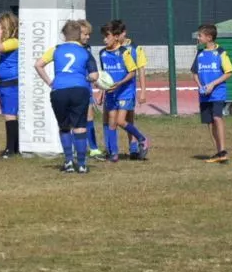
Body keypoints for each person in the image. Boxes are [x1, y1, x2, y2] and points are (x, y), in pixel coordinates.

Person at [35, 20, 99, 174]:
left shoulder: (55, 50)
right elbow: (94, 75)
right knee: (80, 126)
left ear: (64, 36)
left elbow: (38, 64)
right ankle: (82, 164)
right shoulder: (86, 52)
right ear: (79, 35)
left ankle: (69, 162)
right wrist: (88, 79)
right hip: (79, 90)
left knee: (64, 127)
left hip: (59, 91)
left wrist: (50, 83)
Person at [99, 23, 148, 163]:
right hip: (111, 92)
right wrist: (102, 90)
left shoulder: (129, 51)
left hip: (126, 91)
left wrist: (142, 91)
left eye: (107, 36)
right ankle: (113, 153)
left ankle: (140, 140)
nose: (104, 40)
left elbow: (135, 71)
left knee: (123, 120)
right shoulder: (103, 53)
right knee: (111, 122)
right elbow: (104, 75)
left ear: (118, 35)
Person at [191, 24, 232, 164]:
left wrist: (212, 85)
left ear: (209, 37)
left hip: (217, 93)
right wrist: (201, 87)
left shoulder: (221, 52)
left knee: (217, 118)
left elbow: (229, 72)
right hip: (204, 95)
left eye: (200, 35)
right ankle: (218, 152)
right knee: (209, 122)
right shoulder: (200, 53)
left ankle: (223, 150)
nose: (198, 38)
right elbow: (194, 73)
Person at [0, 12, 20, 159]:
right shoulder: (10, 43)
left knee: (10, 115)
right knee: (8, 114)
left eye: (2, 28)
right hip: (4, 82)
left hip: (11, 82)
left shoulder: (14, 42)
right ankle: (14, 146)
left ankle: (11, 149)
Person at [78, 20, 104, 161]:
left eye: (89, 34)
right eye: (85, 34)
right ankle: (75, 150)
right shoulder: (68, 48)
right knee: (74, 120)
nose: (88, 37)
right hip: (74, 88)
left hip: (86, 88)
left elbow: (91, 69)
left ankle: (93, 149)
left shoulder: (87, 48)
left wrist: (97, 86)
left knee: (89, 117)